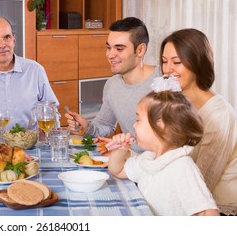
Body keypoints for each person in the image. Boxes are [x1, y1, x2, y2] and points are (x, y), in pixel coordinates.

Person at [108, 78, 219, 216]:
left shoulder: (182, 168)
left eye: (138, 120)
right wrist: (121, 149)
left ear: (160, 125)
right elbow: (117, 171)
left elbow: (209, 213)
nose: (134, 125)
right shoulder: (149, 159)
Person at [160, 28, 237, 215]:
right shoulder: (177, 104)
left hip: (217, 208)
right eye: (164, 61)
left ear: (197, 63)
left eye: (176, 62)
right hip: (186, 195)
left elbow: (203, 180)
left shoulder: (219, 114)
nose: (168, 69)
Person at [65, 17, 160, 152]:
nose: (110, 55)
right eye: (109, 48)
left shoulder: (163, 80)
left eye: (119, 49)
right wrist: (87, 127)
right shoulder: (112, 85)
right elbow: (105, 124)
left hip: (158, 167)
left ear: (140, 50)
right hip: (127, 164)